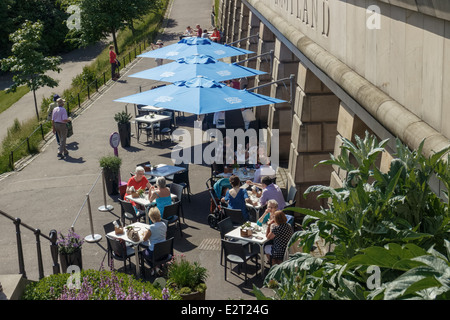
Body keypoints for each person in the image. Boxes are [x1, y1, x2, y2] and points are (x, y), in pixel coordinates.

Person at [140, 207, 167, 274]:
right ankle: (157, 267)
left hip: (154, 253)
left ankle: (154, 267)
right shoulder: (164, 225)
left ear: (151, 217)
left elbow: (144, 239)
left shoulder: (151, 227)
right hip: (164, 251)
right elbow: (164, 235)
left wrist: (144, 234)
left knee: (142, 253)